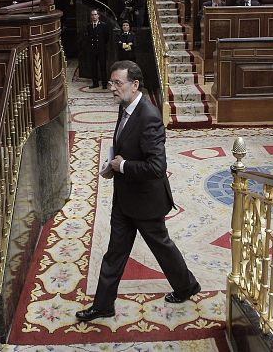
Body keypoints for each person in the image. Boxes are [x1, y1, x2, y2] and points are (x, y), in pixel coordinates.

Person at [75, 61, 201, 323]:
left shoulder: (149, 116)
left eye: (117, 83)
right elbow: (124, 147)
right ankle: (103, 306)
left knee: (162, 248)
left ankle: (187, 286)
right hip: (125, 198)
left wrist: (123, 166)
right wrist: (113, 166)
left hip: (146, 201)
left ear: (134, 84)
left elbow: (157, 167)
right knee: (115, 252)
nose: (112, 88)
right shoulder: (126, 106)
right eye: (111, 83)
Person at [85, 9, 110, 89]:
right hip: (92, 50)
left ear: (98, 15)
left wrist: (101, 46)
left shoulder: (103, 25)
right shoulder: (89, 26)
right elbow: (88, 38)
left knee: (103, 67)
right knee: (93, 67)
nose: (94, 16)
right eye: (92, 15)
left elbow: (107, 37)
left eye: (95, 14)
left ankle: (104, 84)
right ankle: (95, 83)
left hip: (101, 50)